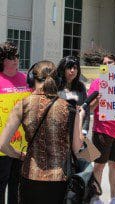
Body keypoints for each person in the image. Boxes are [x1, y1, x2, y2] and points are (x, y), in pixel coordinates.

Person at [0, 60, 85, 204]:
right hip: (59, 179)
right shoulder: (69, 108)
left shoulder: (23, 105)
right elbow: (77, 149)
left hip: (30, 176)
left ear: (32, 79)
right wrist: (80, 118)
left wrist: (20, 155)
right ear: (57, 80)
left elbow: (2, 144)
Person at [88, 54, 115, 204]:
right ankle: (96, 196)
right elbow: (89, 109)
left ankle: (113, 197)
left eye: (110, 62)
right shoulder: (97, 83)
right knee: (99, 165)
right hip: (102, 131)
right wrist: (97, 101)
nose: (107, 64)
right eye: (104, 63)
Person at [0, 41, 30, 204]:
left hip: (22, 145)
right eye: (11, 57)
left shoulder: (25, 79)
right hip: (1, 146)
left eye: (17, 56)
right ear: (3, 60)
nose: (16, 60)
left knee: (17, 187)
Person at [57, 55, 90, 135]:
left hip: (76, 131)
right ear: (63, 69)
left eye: (75, 68)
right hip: (58, 131)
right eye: (69, 68)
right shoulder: (55, 86)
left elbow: (86, 110)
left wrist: (84, 130)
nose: (72, 71)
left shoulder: (81, 86)